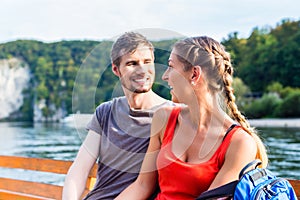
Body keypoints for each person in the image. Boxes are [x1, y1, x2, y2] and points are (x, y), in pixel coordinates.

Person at [115, 36, 268, 199]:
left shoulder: (240, 143)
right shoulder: (164, 118)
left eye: (171, 66)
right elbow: (142, 185)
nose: (164, 76)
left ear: (194, 74)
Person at [62, 32, 173, 199]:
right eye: (132, 63)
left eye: (147, 62)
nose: (142, 70)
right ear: (116, 69)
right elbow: (80, 169)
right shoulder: (106, 111)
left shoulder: (171, 114)